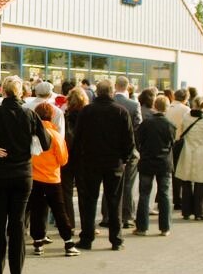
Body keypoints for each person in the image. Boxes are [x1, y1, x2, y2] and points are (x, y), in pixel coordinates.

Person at [0, 75, 50, 274]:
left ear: (4, 92)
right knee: (17, 224)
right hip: (22, 175)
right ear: (21, 93)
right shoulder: (30, 115)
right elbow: (46, 143)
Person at [73, 78, 135, 251]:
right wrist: (124, 159)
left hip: (90, 162)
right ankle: (116, 239)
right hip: (114, 163)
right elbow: (129, 141)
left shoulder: (87, 111)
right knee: (114, 200)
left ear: (97, 92)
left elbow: (78, 138)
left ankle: (87, 237)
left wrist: (78, 160)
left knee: (89, 200)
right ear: (112, 92)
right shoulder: (121, 112)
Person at [29, 103, 80, 257]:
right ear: (51, 116)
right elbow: (64, 160)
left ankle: (38, 242)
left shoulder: (31, 135)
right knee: (59, 211)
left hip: (34, 178)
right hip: (52, 179)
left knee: (36, 211)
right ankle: (68, 242)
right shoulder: (56, 135)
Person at [134, 95, 176, 236]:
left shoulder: (146, 124)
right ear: (167, 108)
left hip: (147, 161)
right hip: (164, 162)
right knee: (164, 194)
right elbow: (172, 143)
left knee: (144, 194)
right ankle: (165, 227)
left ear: (154, 106)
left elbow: (138, 140)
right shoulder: (170, 125)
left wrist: (143, 151)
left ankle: (142, 227)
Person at [106, 76, 142, 230]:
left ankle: (107, 216)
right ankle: (127, 217)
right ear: (128, 87)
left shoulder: (109, 103)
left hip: (109, 149)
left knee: (109, 184)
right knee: (128, 184)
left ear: (115, 86)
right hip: (129, 149)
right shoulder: (134, 105)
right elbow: (138, 127)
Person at [174, 96, 203, 220]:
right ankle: (199, 212)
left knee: (186, 181)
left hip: (188, 151)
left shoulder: (186, 117)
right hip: (202, 153)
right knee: (200, 183)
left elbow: (180, 131)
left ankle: (186, 211)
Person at [62, 86, 89, 230]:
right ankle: (86, 224)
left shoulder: (65, 115)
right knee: (84, 192)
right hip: (83, 157)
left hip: (67, 156)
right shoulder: (88, 116)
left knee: (66, 192)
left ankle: (69, 224)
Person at [166, 88, 191, 210]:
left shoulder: (168, 107)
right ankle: (178, 200)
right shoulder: (186, 110)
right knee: (180, 171)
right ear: (186, 98)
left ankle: (168, 199)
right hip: (180, 142)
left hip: (167, 142)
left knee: (170, 171)